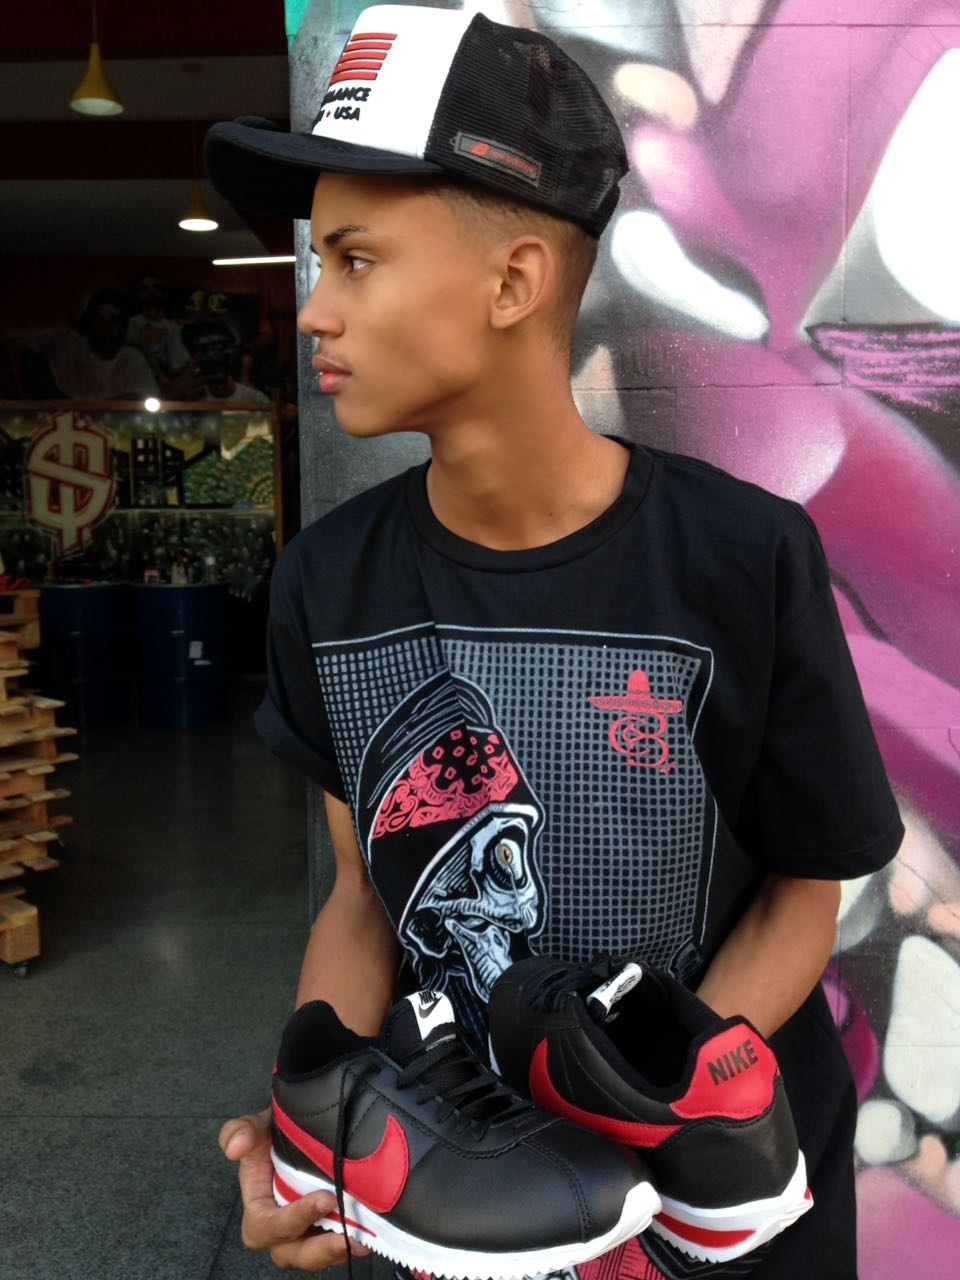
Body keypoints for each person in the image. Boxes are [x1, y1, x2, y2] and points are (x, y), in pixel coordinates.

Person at [203, 6, 903, 1278]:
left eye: (356, 260)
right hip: (472, 1205)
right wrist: (322, 1130)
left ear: (514, 281)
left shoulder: (740, 560)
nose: (313, 312)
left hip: (726, 1210)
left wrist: (637, 1119)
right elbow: (362, 893)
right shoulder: (326, 583)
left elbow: (808, 886)